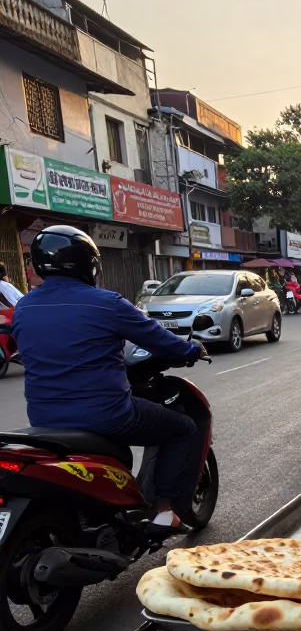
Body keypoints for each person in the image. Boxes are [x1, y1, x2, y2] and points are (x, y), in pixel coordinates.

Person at [12, 226, 207, 528]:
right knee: (182, 428)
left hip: (43, 417)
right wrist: (191, 350)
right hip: (106, 414)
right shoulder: (106, 303)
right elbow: (157, 338)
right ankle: (164, 510)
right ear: (90, 265)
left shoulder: (24, 307)